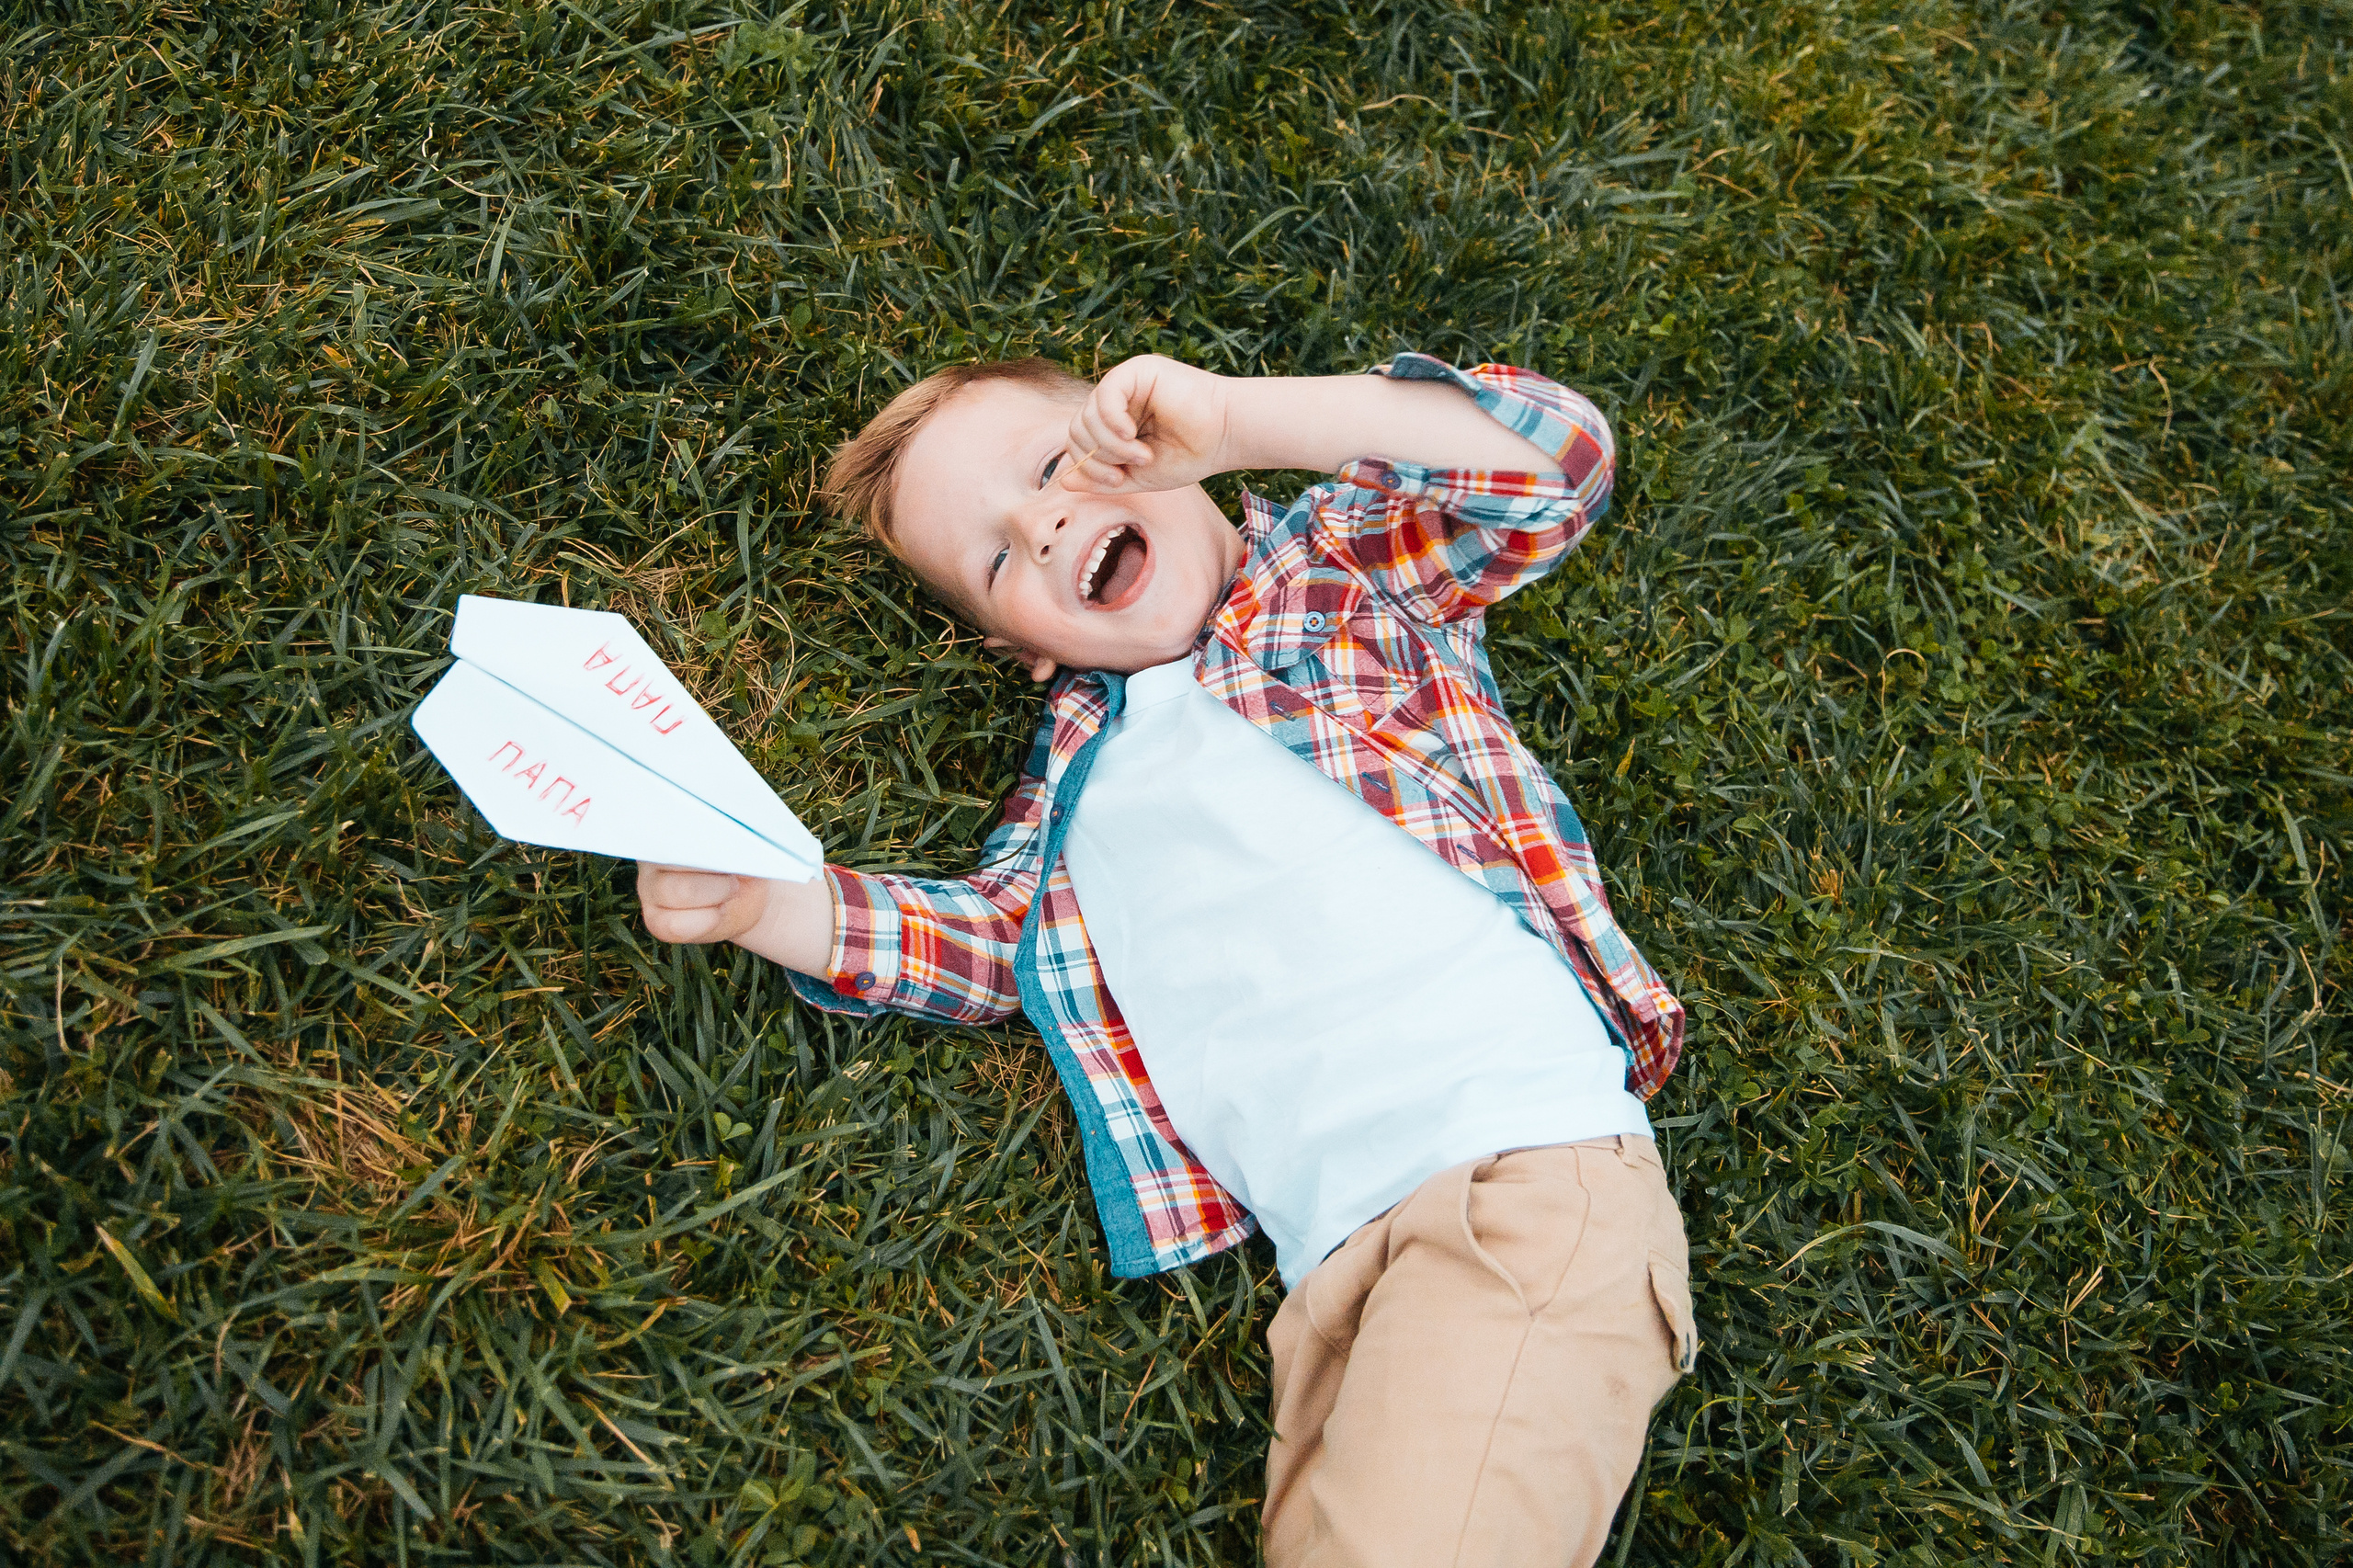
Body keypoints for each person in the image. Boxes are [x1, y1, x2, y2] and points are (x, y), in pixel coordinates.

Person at [637, 350, 1698, 1567]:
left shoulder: (1337, 579)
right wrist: (773, 903)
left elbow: (1557, 461)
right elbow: (988, 948)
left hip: (1525, 1171)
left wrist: (1244, 420)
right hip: (1334, 1275)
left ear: (1152, 447)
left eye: (1054, 466)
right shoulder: (1070, 802)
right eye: (994, 559)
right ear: (1018, 649)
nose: (1039, 525)